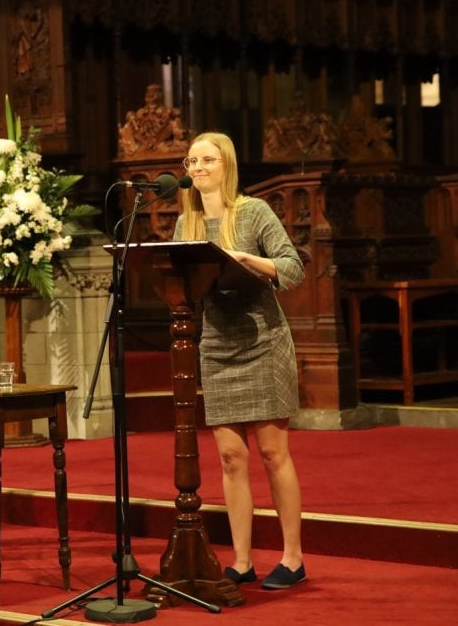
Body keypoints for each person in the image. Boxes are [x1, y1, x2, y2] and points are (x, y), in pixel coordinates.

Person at [173, 132, 307, 590]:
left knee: (272, 452)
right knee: (231, 458)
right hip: (216, 341)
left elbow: (293, 267)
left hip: (262, 339)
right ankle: (243, 560)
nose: (197, 167)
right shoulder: (185, 223)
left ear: (226, 164)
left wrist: (249, 259)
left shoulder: (253, 212)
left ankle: (292, 558)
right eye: (192, 161)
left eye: (207, 159)